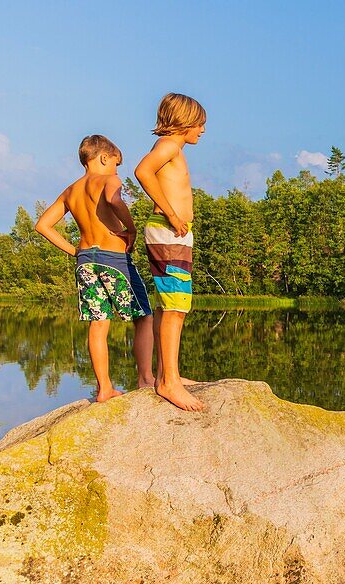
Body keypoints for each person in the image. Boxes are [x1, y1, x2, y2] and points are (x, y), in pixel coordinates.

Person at [35, 135, 154, 402]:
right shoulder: (108, 180)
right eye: (116, 163)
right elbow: (114, 200)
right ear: (104, 157)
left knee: (98, 323)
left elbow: (42, 225)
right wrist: (130, 229)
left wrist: (75, 251)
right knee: (144, 316)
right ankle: (146, 378)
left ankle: (104, 388)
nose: (117, 170)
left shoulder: (71, 190)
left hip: (86, 260)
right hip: (114, 259)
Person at [134, 92, 206, 411]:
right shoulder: (169, 145)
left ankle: (168, 373)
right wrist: (172, 214)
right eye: (200, 124)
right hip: (168, 230)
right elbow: (142, 171)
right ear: (185, 122)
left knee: (169, 304)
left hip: (174, 233)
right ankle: (168, 383)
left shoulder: (172, 148)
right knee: (176, 305)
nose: (202, 130)